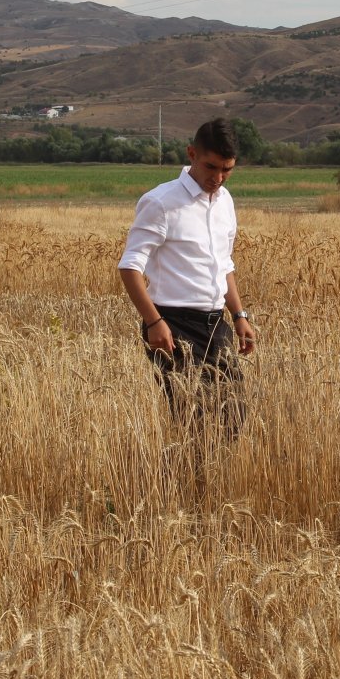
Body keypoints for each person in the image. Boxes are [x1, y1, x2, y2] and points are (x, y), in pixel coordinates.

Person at [118, 118, 257, 446]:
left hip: (215, 324)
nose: (218, 178)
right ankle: (178, 490)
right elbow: (129, 268)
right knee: (191, 420)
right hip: (172, 325)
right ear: (192, 153)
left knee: (232, 414)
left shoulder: (225, 201)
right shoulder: (161, 202)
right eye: (211, 167)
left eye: (228, 170)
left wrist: (239, 316)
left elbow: (224, 264)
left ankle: (211, 490)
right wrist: (154, 322)